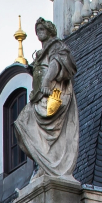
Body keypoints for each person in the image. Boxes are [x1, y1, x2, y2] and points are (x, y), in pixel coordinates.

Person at [15, 18, 79, 179]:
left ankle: (50, 165)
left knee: (31, 124)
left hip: (52, 93)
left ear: (49, 30)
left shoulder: (56, 46)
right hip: (40, 95)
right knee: (23, 123)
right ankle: (46, 163)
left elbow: (56, 64)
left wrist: (47, 81)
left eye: (42, 29)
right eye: (38, 30)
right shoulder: (42, 52)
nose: (39, 32)